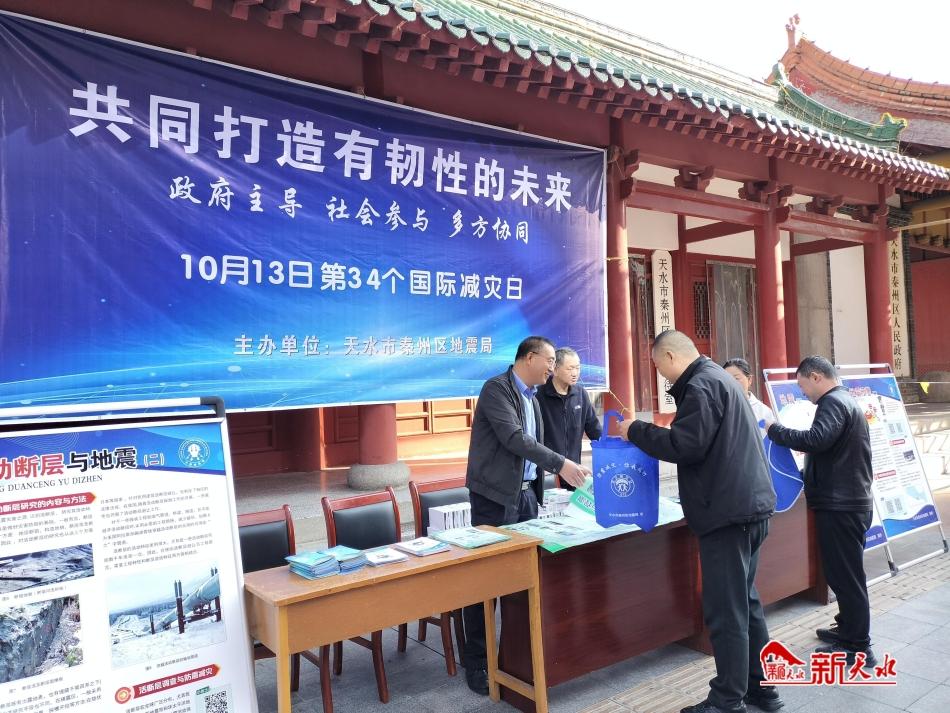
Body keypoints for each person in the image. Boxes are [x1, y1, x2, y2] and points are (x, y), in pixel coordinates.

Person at [618, 330, 781, 713]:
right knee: (746, 603)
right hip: (748, 507)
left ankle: (727, 700)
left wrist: (635, 430)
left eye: (658, 366)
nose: (661, 375)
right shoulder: (719, 379)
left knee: (726, 611)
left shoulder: (700, 386)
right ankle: (761, 688)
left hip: (728, 514)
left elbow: (685, 445)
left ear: (671, 357)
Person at [462, 335, 591, 694]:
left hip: (526, 499)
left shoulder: (532, 398)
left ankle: (515, 655)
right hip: (494, 499)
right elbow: (515, 439)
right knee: (485, 580)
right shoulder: (497, 390)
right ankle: (477, 661)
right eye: (549, 361)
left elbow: (539, 445)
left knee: (523, 577)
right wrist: (562, 464)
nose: (553, 368)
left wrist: (558, 472)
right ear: (530, 358)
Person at [764, 356, 875, 667]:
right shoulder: (843, 401)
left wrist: (775, 431)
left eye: (803, 387)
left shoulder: (833, 402)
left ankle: (858, 646)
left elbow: (816, 440)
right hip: (845, 501)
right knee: (842, 573)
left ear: (816, 377)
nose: (803, 394)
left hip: (842, 505)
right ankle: (847, 627)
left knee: (847, 576)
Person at [537, 347, 602, 490]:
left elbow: (594, 429)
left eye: (577, 368)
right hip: (547, 472)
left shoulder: (581, 394)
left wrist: (610, 449)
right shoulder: (538, 395)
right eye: (570, 368)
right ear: (555, 369)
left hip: (574, 471)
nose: (575, 373)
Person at [723, 357, 773, 425]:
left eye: (736, 378)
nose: (731, 383)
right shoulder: (719, 407)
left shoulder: (763, 411)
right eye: (727, 379)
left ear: (749, 379)